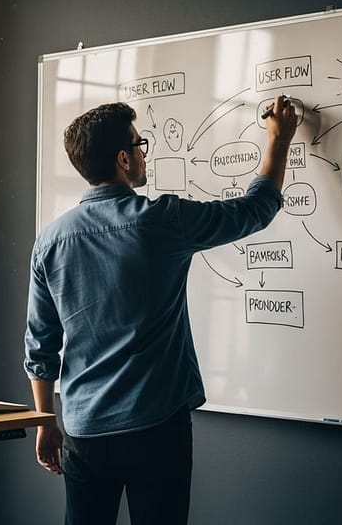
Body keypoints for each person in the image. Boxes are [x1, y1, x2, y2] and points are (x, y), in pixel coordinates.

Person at [23, 95, 298, 524]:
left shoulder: (50, 240)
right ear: (122, 159)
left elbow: (40, 346)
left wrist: (45, 422)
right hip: (155, 427)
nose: (142, 152)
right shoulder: (160, 220)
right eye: (138, 144)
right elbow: (254, 211)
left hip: (83, 429)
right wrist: (279, 141)